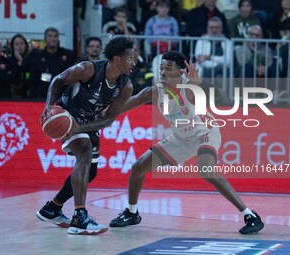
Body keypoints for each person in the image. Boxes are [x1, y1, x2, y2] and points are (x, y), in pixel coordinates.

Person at [109, 51, 265, 235]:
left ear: (181, 72)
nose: (163, 72)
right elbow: (120, 108)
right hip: (180, 138)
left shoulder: (189, 87)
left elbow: (214, 96)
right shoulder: (153, 91)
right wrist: (99, 113)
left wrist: (198, 82)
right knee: (138, 167)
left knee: (205, 170)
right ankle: (132, 213)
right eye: (161, 68)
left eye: (168, 68)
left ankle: (250, 215)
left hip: (204, 133)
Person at [36, 37, 135, 235]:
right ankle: (79, 217)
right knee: (84, 151)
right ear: (117, 59)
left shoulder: (126, 86)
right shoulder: (87, 69)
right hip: (66, 115)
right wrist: (49, 105)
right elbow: (58, 80)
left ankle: (52, 208)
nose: (134, 62)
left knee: (91, 172)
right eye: (130, 58)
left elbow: (107, 120)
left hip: (87, 122)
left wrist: (79, 128)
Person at [30, 27, 76, 100]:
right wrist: (32, 99)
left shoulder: (68, 55)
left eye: (55, 36)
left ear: (58, 38)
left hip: (63, 98)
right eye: (50, 36)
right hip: (43, 97)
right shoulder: (38, 57)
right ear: (45, 39)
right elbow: (33, 80)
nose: (53, 38)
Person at [9, 34, 38, 98]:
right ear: (12, 46)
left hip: (31, 93)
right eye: (16, 44)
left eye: (21, 43)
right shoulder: (9, 60)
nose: (19, 46)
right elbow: (13, 78)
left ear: (26, 45)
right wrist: (19, 61)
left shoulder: (33, 57)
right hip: (13, 94)